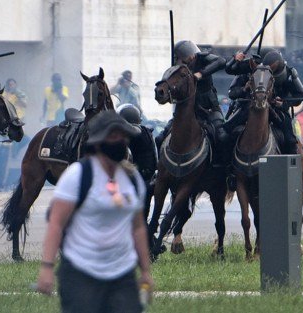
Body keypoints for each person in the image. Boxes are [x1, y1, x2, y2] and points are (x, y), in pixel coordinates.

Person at [36, 110, 153, 313]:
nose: (120, 141)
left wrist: (145, 271)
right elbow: (56, 223)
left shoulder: (132, 179)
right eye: (113, 136)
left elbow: (138, 227)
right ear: (99, 142)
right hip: (81, 272)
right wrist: (47, 267)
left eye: (123, 136)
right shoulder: (77, 176)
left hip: (122, 273)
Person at [156, 40, 227, 166]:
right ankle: (159, 169)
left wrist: (201, 73)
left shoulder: (202, 58)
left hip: (209, 108)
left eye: (182, 58)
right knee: (161, 138)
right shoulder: (178, 69)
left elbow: (221, 61)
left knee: (221, 136)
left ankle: (223, 169)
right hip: (186, 111)